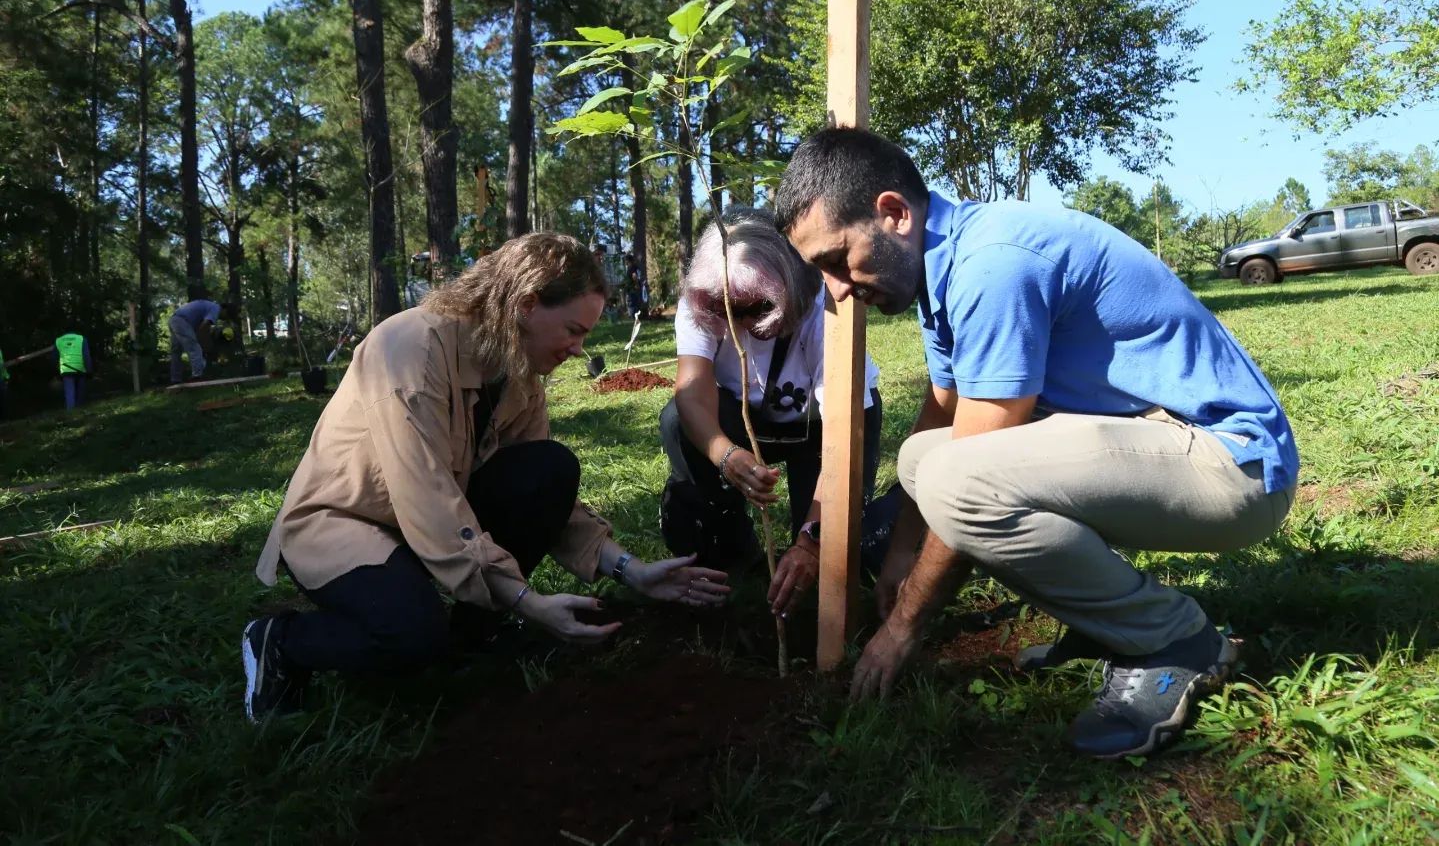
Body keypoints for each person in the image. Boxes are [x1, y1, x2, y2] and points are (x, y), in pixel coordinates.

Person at [775, 127, 1298, 759]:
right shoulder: (944, 264)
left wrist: (905, 624)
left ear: (893, 214)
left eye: (836, 260)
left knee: (955, 480)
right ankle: (1110, 625)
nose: (833, 289)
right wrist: (900, 554)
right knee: (923, 461)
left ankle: (1172, 640)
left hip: (1230, 466)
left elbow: (974, 463)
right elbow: (941, 414)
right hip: (1154, 446)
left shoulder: (994, 262)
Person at [244, 233, 730, 723]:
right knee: (411, 635)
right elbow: (427, 497)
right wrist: (528, 601)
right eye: (573, 330)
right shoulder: (408, 351)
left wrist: (631, 570)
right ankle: (282, 642)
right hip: (346, 520)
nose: (580, 350)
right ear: (525, 303)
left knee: (549, 468)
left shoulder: (518, 373)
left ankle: (477, 634)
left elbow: (547, 499)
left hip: (435, 518)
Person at [661, 213, 897, 619]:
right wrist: (726, 454)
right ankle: (735, 550)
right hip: (749, 420)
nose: (743, 323)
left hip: (828, 427)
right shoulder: (706, 295)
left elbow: (844, 433)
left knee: (832, 555)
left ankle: (890, 524)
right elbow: (692, 394)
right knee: (674, 421)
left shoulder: (826, 310)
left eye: (757, 308)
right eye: (728, 310)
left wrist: (811, 539)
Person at [168, 299, 239, 384]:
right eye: (227, 316)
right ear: (225, 309)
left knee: (176, 351)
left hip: (174, 319)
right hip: (182, 322)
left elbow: (202, 328)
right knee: (194, 348)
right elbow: (203, 327)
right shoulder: (216, 309)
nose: (224, 319)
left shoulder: (210, 306)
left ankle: (175, 379)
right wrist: (204, 344)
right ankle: (197, 376)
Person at [53, 331, 91, 410]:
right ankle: (81, 412)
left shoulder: (58, 340)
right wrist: (89, 370)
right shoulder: (81, 339)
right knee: (81, 393)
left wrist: (57, 371)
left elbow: (55, 358)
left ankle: (71, 414)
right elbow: (86, 355)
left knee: (69, 394)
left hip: (66, 369)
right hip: (80, 368)